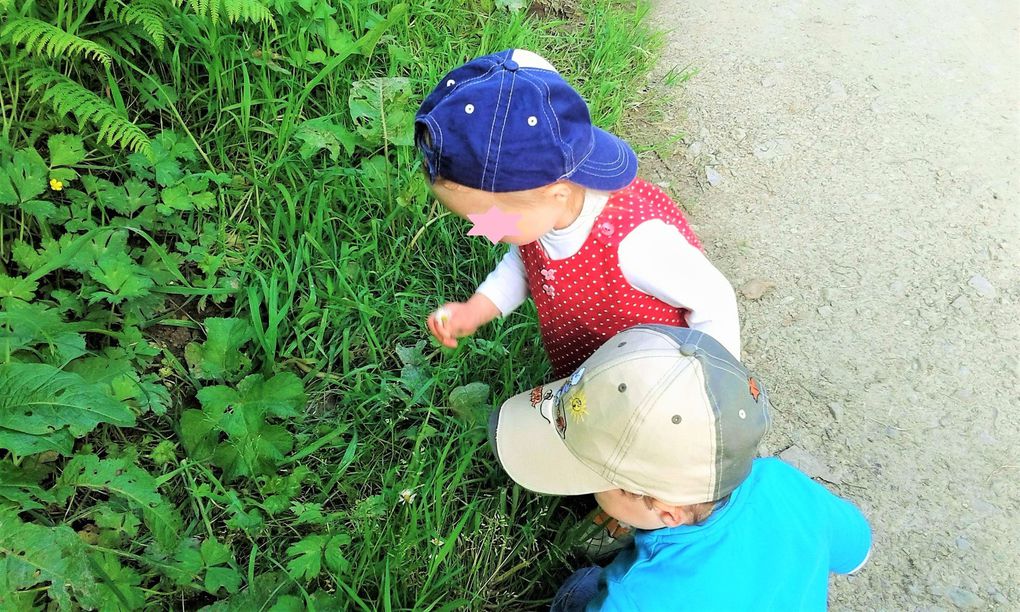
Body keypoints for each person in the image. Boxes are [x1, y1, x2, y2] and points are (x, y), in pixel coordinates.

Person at [489, 325, 872, 611]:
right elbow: (857, 551)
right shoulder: (781, 480)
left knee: (583, 586)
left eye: (598, 480)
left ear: (667, 511)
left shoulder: (633, 597)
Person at [415, 49, 740, 380]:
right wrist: (475, 310)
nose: (481, 231)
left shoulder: (638, 244)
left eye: (486, 219)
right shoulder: (543, 214)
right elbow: (524, 265)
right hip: (596, 373)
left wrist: (711, 385)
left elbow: (715, 301)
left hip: (655, 379)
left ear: (557, 193)